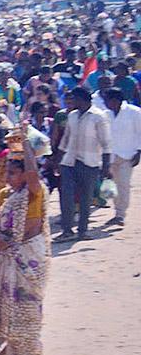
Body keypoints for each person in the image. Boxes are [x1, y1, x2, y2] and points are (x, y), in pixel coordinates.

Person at [0, 135, 50, 355]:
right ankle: (9, 347)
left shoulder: (36, 190)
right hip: (7, 254)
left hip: (29, 255)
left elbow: (33, 175)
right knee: (4, 303)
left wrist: (27, 149)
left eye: (13, 172)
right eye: (8, 172)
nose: (8, 177)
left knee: (27, 306)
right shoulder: (5, 194)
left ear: (24, 174)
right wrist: (0, 236)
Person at [55, 86, 112, 241]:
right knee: (66, 197)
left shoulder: (98, 117)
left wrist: (106, 167)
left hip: (89, 162)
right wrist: (57, 160)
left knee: (85, 198)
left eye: (74, 98)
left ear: (82, 99)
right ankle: (67, 230)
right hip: (69, 161)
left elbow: (106, 144)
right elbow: (66, 139)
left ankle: (82, 230)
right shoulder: (72, 116)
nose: (70, 101)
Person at [104, 87, 141, 226]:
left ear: (115, 100)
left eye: (107, 100)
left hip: (128, 154)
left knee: (124, 185)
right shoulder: (106, 114)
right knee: (112, 184)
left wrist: (139, 151)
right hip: (111, 155)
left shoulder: (134, 112)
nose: (106, 103)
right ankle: (117, 210)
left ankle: (120, 214)